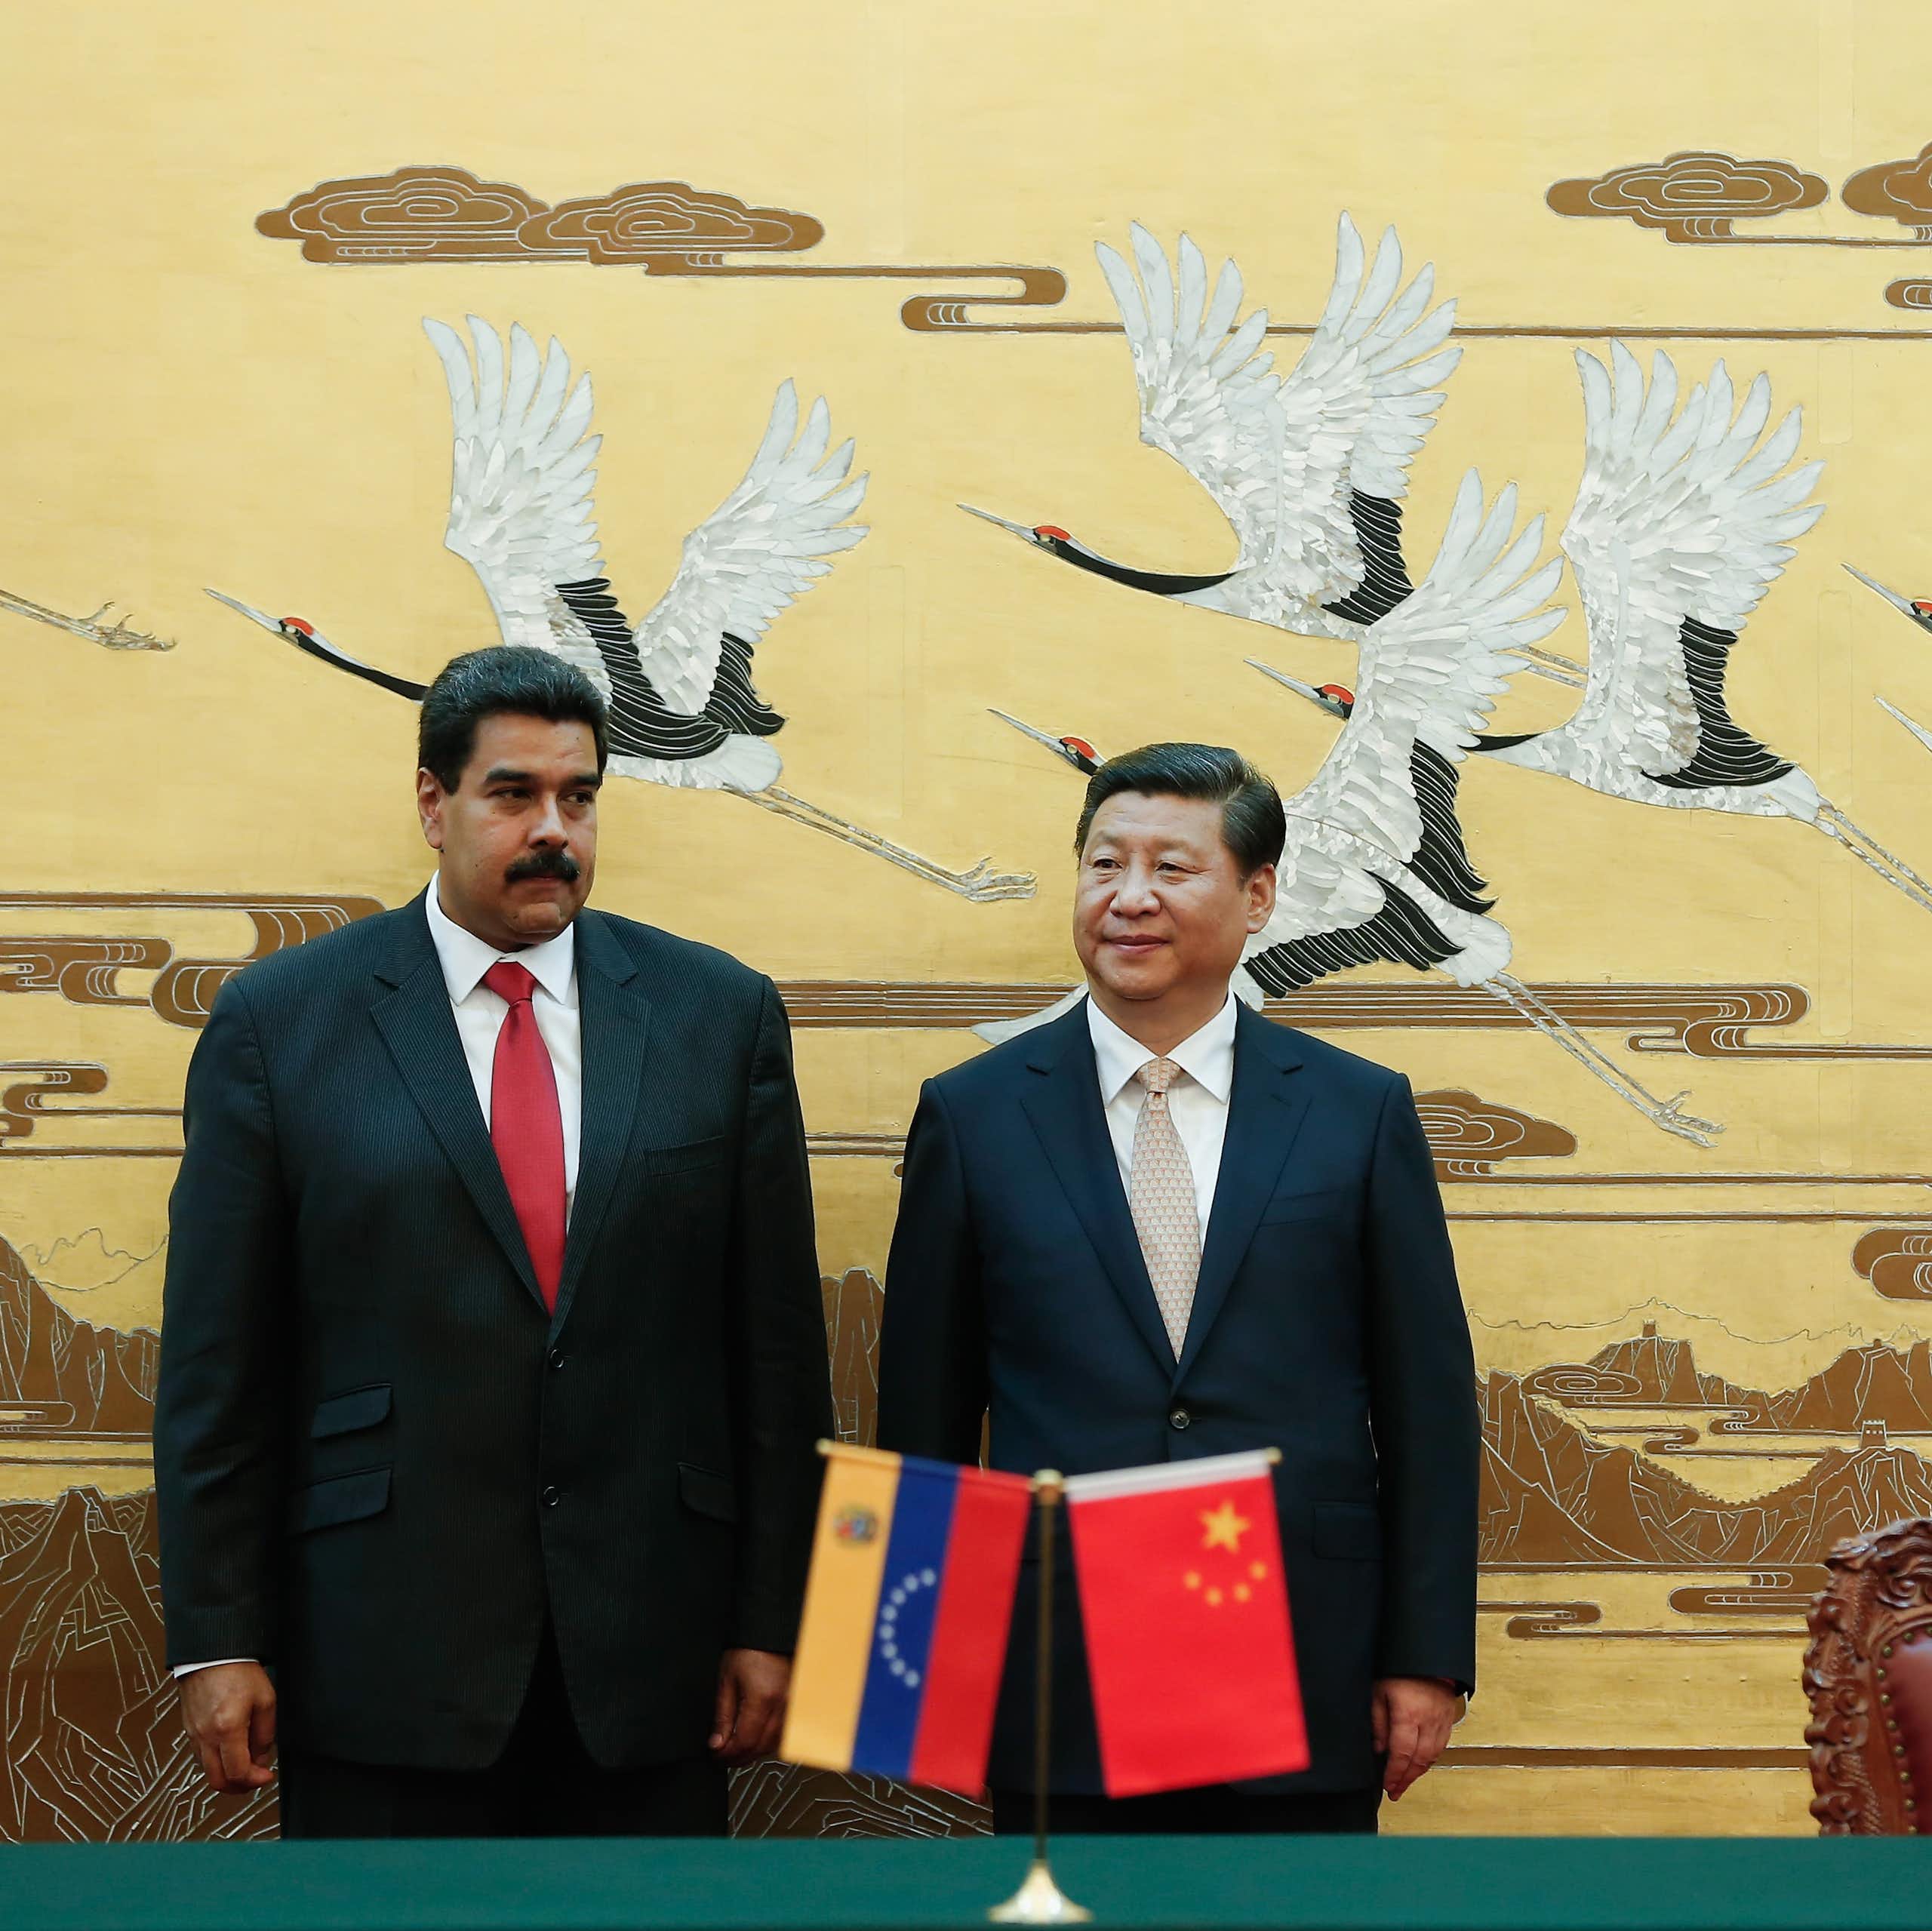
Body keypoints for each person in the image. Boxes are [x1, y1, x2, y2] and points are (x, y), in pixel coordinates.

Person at [155, 645, 832, 1838]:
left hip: (650, 1652)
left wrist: (773, 1620)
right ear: (435, 803)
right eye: (513, 794)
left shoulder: (717, 1017)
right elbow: (220, 1365)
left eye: (579, 797)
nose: (553, 829)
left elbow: (776, 1358)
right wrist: (219, 1641)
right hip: (377, 1653)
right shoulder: (283, 1025)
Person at [877, 743, 1477, 1834]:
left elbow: (1429, 1411)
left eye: (1172, 868)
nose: (1131, 899)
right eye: (1106, 865)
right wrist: (925, 1683)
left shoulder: (1358, 1112)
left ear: (1258, 897)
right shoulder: (974, 1116)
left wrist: (1427, 1658)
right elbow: (922, 1419)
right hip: (1060, 1673)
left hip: (1305, 1662)